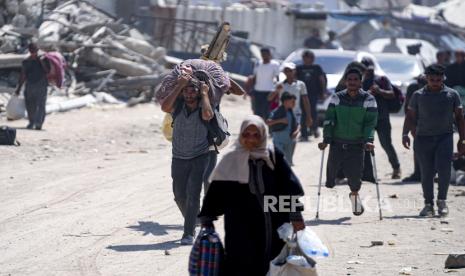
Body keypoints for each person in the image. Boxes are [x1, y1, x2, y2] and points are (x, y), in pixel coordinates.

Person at [198, 115, 305, 276]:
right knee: (241, 263)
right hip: (239, 224)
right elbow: (216, 192)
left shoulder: (273, 156)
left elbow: (288, 187)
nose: (251, 139)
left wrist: (296, 215)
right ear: (241, 135)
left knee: (274, 263)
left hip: (273, 222)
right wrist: (207, 219)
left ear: (263, 135)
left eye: (256, 135)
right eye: (246, 134)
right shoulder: (231, 159)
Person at [402, 64, 465, 217]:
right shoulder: (418, 95)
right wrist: (405, 134)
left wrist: (462, 139)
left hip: (445, 137)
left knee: (443, 170)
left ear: (443, 78)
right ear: (426, 78)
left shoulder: (452, 95)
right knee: (426, 172)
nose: (435, 82)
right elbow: (410, 116)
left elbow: (459, 118)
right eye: (432, 79)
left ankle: (442, 201)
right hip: (423, 138)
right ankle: (428, 204)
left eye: (438, 79)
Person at [161, 73, 214, 245]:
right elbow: (164, 107)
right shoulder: (177, 106)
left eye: (193, 91)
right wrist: (179, 86)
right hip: (178, 157)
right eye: (186, 91)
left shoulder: (203, 104)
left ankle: (188, 233)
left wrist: (205, 94)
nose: (189, 94)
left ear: (198, 92)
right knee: (179, 195)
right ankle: (194, 219)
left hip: (199, 156)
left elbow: (208, 115)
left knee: (193, 194)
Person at [318, 68, 378, 216]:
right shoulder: (337, 98)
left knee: (355, 176)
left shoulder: (368, 99)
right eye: (349, 79)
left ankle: (354, 195)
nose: (352, 82)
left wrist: (369, 140)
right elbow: (329, 119)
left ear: (360, 81)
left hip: (356, 144)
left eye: (355, 80)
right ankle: (335, 183)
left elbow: (370, 123)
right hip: (337, 143)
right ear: (345, 81)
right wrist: (326, 139)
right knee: (331, 175)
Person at [361, 58, 401, 179]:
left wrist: (379, 91)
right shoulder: (359, 81)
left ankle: (396, 168)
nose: (369, 71)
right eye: (366, 69)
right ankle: (367, 173)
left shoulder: (381, 79)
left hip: (382, 117)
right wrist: (367, 93)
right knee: (365, 145)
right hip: (367, 118)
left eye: (370, 69)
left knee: (386, 144)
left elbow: (391, 94)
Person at [15, 43, 50, 130]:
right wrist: (19, 88)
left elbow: (47, 71)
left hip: (41, 85)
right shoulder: (26, 61)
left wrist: (41, 62)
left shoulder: (44, 59)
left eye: (35, 51)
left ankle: (38, 124)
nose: (34, 53)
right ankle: (32, 122)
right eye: (32, 51)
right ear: (30, 51)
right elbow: (23, 75)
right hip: (30, 85)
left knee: (41, 105)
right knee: (30, 105)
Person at [296, 50, 326, 140]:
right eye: (304, 57)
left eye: (308, 57)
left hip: (313, 93)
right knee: (303, 113)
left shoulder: (317, 68)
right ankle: (304, 133)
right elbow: (295, 79)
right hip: (301, 93)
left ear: (312, 58)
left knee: (312, 112)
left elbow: (322, 80)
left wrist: (322, 92)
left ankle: (314, 129)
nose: (306, 59)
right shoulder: (299, 68)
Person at [402, 75, 427, 183]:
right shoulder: (413, 88)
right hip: (417, 122)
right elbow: (408, 108)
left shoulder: (436, 87)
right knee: (418, 148)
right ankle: (418, 173)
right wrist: (411, 127)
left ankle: (425, 173)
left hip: (430, 123)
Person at [267, 92, 299, 165]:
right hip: (278, 141)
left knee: (288, 163)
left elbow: (297, 125)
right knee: (279, 162)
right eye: (292, 101)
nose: (294, 103)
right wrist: (280, 120)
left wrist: (296, 131)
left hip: (289, 141)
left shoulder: (291, 113)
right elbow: (268, 122)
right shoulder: (277, 111)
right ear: (286, 101)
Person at [249, 48, 280, 120]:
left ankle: (265, 129)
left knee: (266, 113)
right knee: (256, 112)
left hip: (269, 92)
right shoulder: (258, 63)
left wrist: (276, 91)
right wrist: (251, 89)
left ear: (269, 55)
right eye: (262, 54)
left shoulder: (275, 64)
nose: (264, 56)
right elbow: (255, 77)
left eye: (265, 54)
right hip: (257, 91)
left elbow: (277, 78)